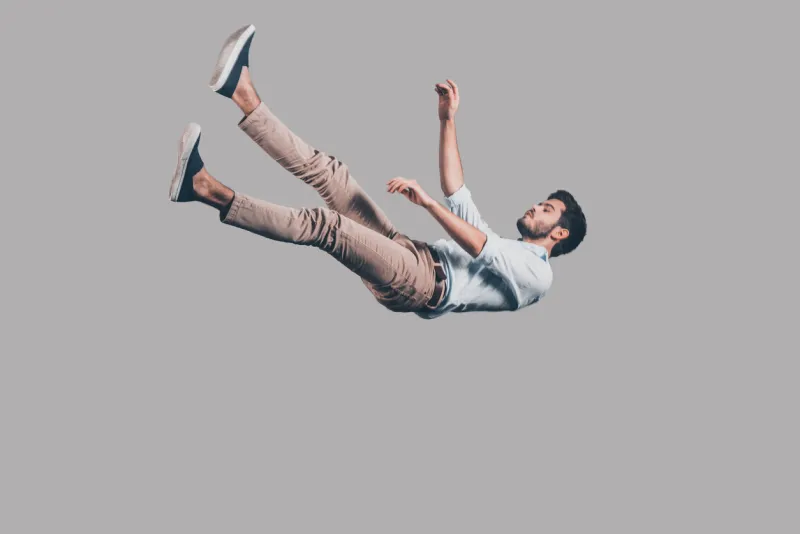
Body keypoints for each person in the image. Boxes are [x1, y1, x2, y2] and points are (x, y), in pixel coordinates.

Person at [169, 24, 587, 319]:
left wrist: (427, 204)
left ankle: (204, 188)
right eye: (542, 203)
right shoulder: (511, 251)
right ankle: (241, 92)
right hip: (412, 253)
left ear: (559, 234)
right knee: (332, 175)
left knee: (326, 227)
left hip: (420, 283)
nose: (536, 207)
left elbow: (480, 247)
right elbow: (458, 194)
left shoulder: (538, 276)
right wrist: (448, 120)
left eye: (547, 209)